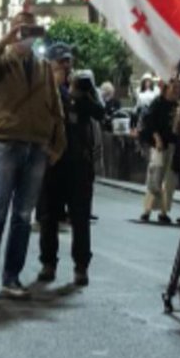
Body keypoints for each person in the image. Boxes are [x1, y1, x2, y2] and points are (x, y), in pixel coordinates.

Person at [0, 11, 66, 301]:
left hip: (36, 146)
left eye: (30, 31)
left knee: (23, 216)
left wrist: (56, 145)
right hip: (6, 142)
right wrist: (3, 43)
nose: (25, 36)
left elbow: (56, 107)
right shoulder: (0, 60)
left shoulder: (43, 68)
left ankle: (11, 276)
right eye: (20, 30)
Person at [37, 57, 106, 286]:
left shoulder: (82, 97)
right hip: (53, 165)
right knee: (49, 218)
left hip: (79, 166)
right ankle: (48, 263)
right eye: (60, 66)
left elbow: (100, 112)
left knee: (81, 219)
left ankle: (81, 266)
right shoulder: (47, 93)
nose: (65, 71)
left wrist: (86, 93)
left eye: (68, 66)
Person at [139, 78, 180, 224]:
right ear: (166, 88)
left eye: (178, 88)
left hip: (173, 143)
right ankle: (147, 209)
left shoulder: (179, 105)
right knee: (155, 177)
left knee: (169, 180)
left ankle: (164, 211)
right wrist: (157, 138)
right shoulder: (158, 103)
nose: (176, 90)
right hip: (160, 144)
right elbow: (149, 122)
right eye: (174, 87)